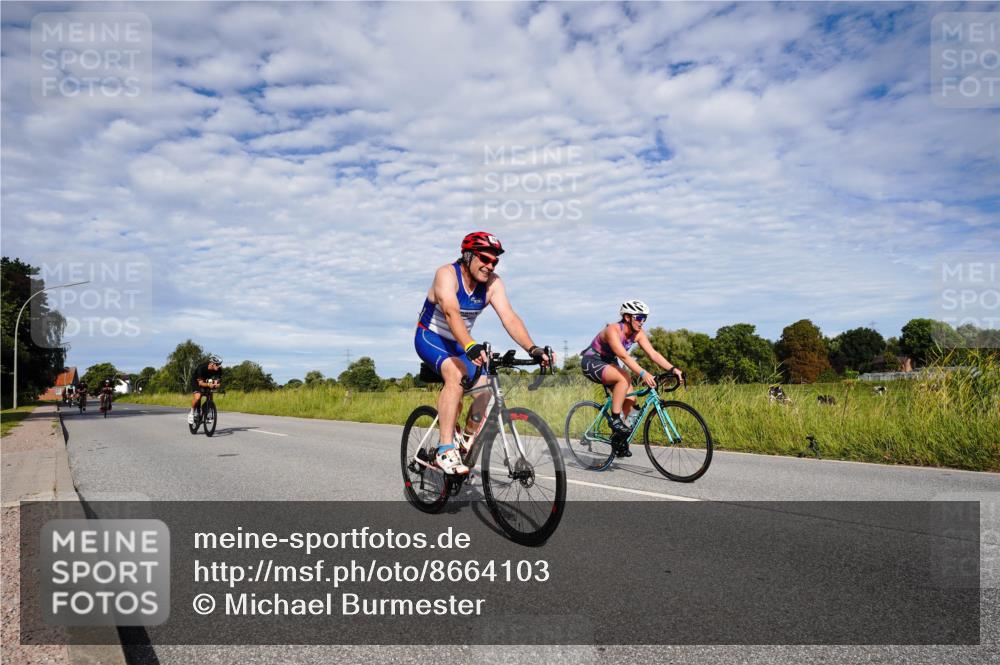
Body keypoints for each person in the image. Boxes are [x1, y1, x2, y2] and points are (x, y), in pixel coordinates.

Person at [414, 231, 552, 475]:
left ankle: (466, 438)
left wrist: (532, 347)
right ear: (467, 256)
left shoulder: (493, 284)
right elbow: (451, 313)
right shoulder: (446, 274)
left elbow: (509, 317)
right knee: (455, 374)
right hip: (431, 336)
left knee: (487, 384)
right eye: (485, 259)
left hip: (461, 342)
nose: (490, 266)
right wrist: (470, 345)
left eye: (494, 261)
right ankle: (446, 449)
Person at [580, 300, 683, 456]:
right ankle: (615, 419)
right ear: (628, 317)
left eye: (645, 318)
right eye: (640, 317)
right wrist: (643, 373)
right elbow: (623, 356)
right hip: (592, 362)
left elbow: (653, 354)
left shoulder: (638, 334)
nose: (642, 322)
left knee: (633, 405)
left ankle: (619, 440)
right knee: (624, 377)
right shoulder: (612, 330)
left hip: (610, 363)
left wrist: (672, 369)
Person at [188, 355, 222, 425]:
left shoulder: (219, 370)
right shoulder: (201, 368)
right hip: (196, 381)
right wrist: (209, 385)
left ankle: (207, 409)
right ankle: (191, 413)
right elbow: (200, 383)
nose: (219, 366)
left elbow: (217, 382)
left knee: (210, 395)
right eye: (217, 364)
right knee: (198, 397)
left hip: (207, 381)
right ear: (212, 363)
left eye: (220, 364)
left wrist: (217, 384)